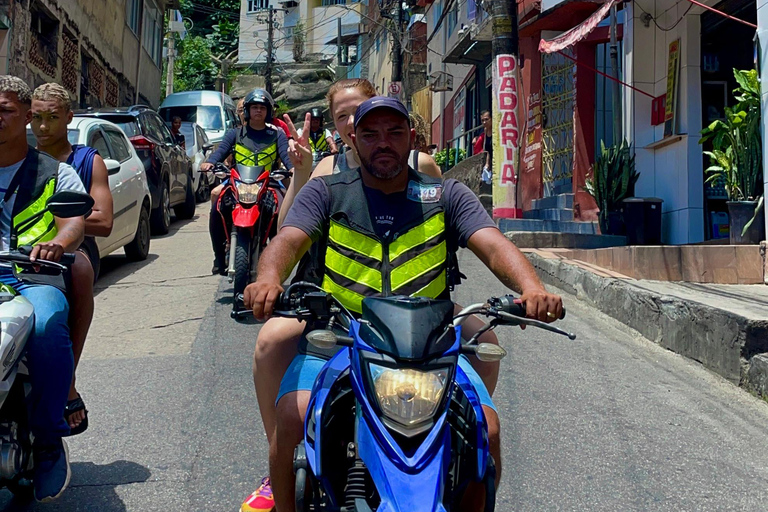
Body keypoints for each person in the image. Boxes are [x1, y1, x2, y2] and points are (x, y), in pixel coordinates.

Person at [244, 96, 563, 512]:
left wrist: (531, 288)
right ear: (352, 141)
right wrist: (268, 280)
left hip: (429, 346)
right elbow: (287, 240)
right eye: (371, 134)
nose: (383, 143)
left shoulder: (445, 195)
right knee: (290, 416)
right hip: (342, 337)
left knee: (488, 429)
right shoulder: (325, 192)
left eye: (394, 132)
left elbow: (492, 242)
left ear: (411, 139)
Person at [240, 79, 445, 512]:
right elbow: (287, 231)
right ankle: (282, 451)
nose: (357, 124)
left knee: (484, 340)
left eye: (364, 112)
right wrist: (300, 169)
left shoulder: (422, 167)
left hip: (414, 303)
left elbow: (444, 221)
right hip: (328, 297)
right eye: (345, 118)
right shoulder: (326, 173)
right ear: (341, 129)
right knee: (271, 341)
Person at [0, 75, 90, 502]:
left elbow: (74, 221)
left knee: (47, 328)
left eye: (6, 110)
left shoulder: (59, 172)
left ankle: (50, 440)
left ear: (25, 116)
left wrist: (58, 243)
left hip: (31, 275)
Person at [30, 82, 114, 437]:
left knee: (78, 269)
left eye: (52, 118)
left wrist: (65, 227)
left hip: (69, 252)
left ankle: (68, 379)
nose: (43, 127)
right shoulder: (20, 160)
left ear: (68, 118)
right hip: (23, 252)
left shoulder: (85, 161)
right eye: (36, 118)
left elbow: (104, 221)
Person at [200, 88, 293, 275]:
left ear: (268, 111)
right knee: (217, 201)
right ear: (247, 111)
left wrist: (292, 168)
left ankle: (277, 260)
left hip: (270, 184)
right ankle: (219, 255)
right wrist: (209, 162)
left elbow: (285, 155)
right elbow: (220, 152)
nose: (258, 111)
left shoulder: (277, 134)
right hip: (237, 183)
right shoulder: (235, 134)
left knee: (283, 210)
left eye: (262, 107)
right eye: (254, 107)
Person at [472, 110, 493, 184]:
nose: (484, 122)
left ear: (492, 119)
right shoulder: (485, 130)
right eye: (482, 120)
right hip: (490, 163)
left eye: (486, 119)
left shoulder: (496, 130)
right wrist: (487, 165)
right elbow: (486, 150)